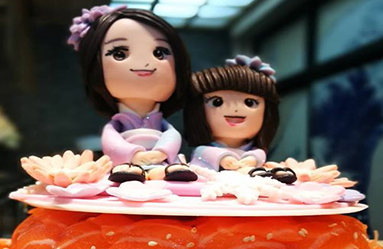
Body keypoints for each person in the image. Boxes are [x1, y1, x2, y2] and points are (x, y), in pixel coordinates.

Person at [69, 5, 196, 182]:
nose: (144, 63)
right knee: (128, 172)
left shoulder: (165, 128)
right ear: (95, 67)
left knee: (170, 170)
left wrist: (162, 152)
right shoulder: (115, 128)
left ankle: (166, 172)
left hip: (164, 161)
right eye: (119, 54)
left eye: (160, 53)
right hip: (127, 163)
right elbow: (111, 142)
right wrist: (133, 155)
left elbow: (172, 136)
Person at [183, 55, 294, 182]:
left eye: (250, 103)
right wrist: (224, 158)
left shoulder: (255, 151)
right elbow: (204, 152)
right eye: (217, 102)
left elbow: (259, 154)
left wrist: (253, 159)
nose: (235, 109)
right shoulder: (203, 150)